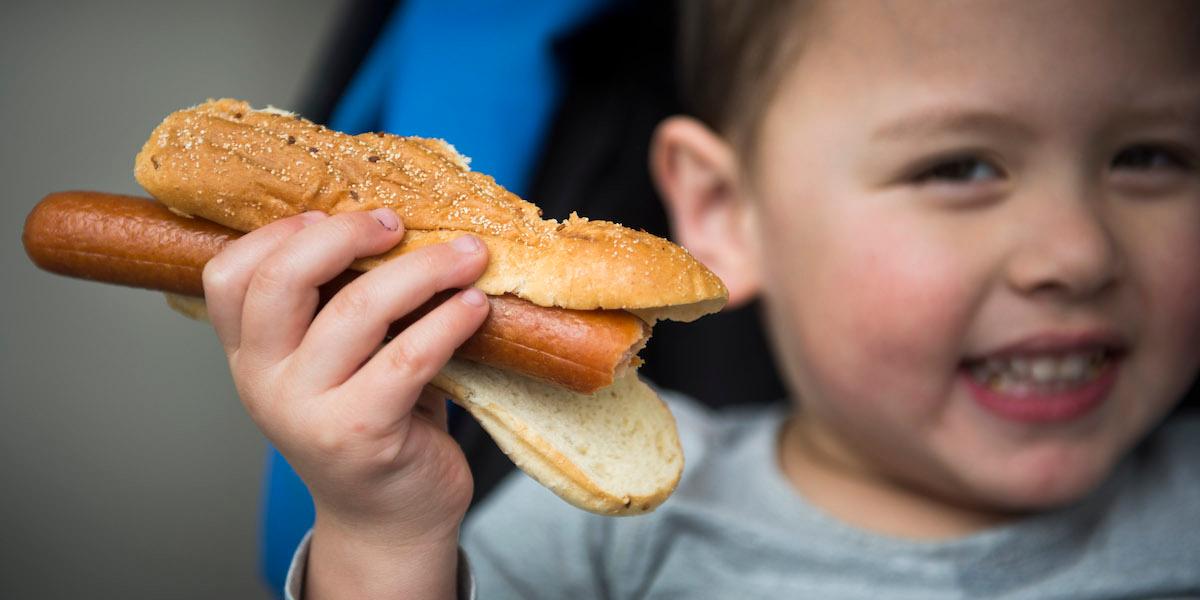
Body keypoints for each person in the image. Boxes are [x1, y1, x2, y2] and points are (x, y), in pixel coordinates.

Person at [201, 1, 1200, 597]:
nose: (1076, 252)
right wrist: (384, 536)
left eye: (1150, 156)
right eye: (963, 167)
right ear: (727, 210)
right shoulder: (611, 536)